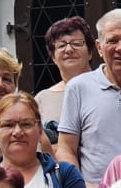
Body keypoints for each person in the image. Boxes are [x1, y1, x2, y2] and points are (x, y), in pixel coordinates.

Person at [55, 8, 121, 188]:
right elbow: (66, 149)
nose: (120, 48)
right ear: (99, 48)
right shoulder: (78, 88)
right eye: (112, 41)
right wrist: (81, 186)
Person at [35, 14, 94, 149]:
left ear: (90, 52)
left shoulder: (107, 88)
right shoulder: (41, 100)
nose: (69, 50)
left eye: (76, 43)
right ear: (53, 57)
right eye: (61, 46)